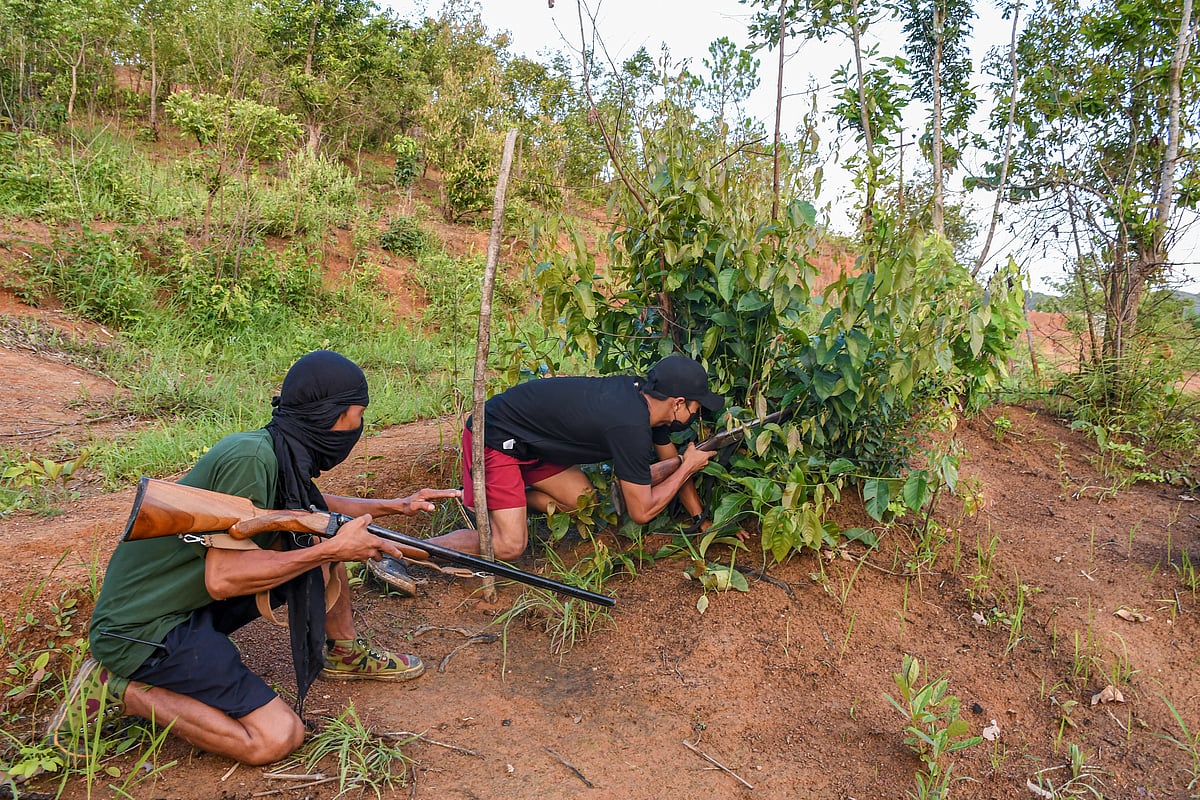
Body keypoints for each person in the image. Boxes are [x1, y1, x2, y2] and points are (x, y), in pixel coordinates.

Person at [46, 350, 460, 766]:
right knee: (275, 738)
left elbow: (310, 510)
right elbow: (224, 579)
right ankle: (118, 689)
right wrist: (333, 550)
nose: (358, 425)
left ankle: (343, 652)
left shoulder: (276, 451)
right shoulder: (251, 458)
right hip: (143, 628)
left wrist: (395, 505)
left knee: (325, 531)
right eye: (357, 413)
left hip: (183, 609)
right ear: (332, 416)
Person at [369, 355, 722, 584]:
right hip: (497, 438)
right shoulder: (628, 425)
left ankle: (502, 501)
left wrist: (701, 519)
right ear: (678, 402)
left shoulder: (647, 402)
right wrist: (687, 468)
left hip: (533, 442)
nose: (696, 415)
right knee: (508, 545)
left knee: (582, 500)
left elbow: (673, 457)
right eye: (696, 407)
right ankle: (399, 550)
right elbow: (642, 510)